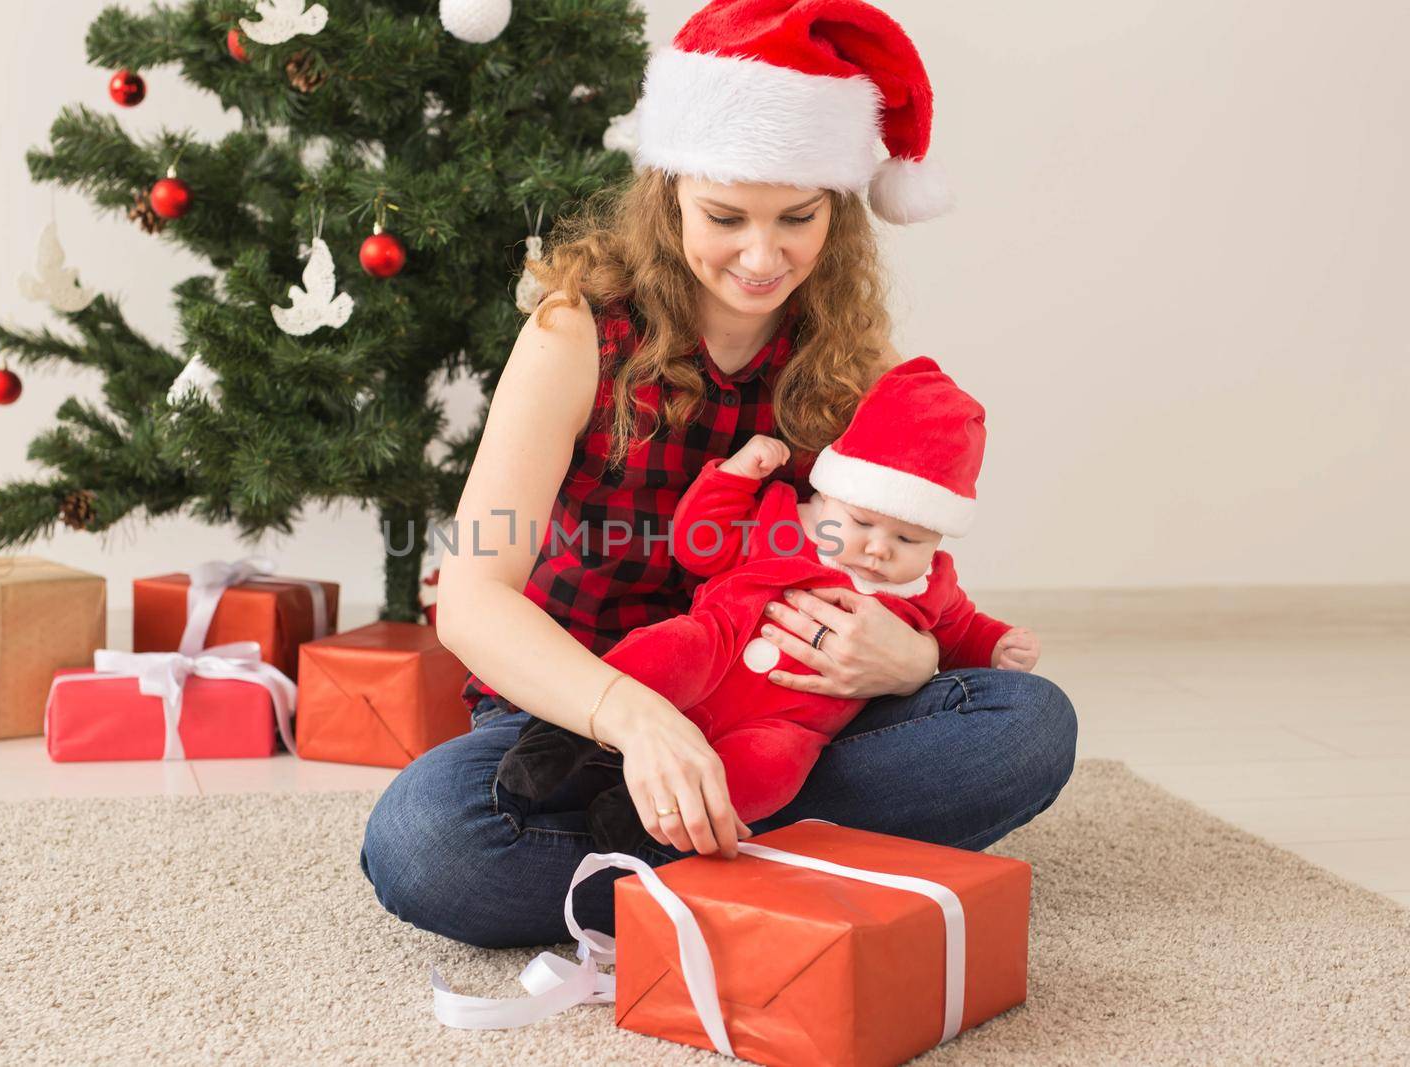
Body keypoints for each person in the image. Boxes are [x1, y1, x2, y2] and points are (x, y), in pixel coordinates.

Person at [359, 0, 1078, 949]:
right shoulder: (575, 334)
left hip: (777, 709)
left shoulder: (850, 361)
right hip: (581, 714)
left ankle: (684, 848)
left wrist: (916, 661)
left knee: (1028, 721)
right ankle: (768, 857)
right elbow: (473, 592)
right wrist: (639, 719)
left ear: (839, 210)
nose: (761, 254)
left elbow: (895, 568)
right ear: (668, 194)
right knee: (427, 841)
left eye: (798, 218)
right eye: (726, 215)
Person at [494, 357, 1044, 855]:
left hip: (789, 720)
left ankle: (655, 828)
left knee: (773, 771)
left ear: (937, 542)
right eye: (862, 524)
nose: (879, 549)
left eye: (909, 540)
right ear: (826, 494)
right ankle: (562, 740)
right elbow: (699, 542)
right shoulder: (783, 518)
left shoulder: (929, 586)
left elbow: (961, 629)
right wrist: (736, 478)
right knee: (671, 651)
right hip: (717, 650)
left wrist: (994, 645)